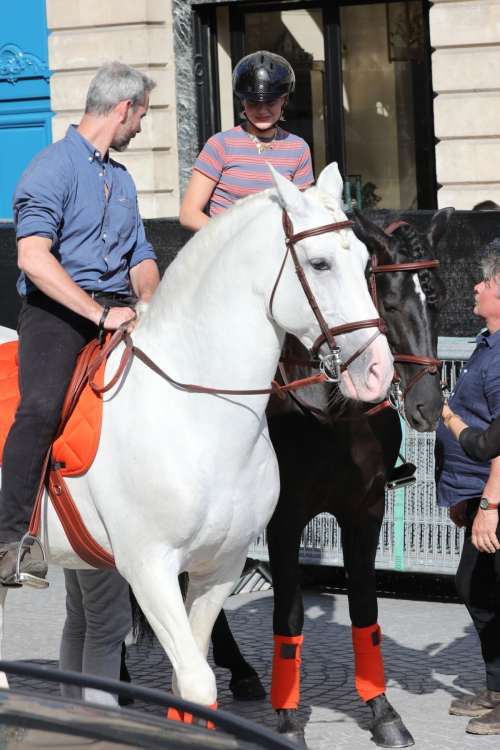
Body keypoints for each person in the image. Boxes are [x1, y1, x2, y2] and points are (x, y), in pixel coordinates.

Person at [0, 62, 159, 583]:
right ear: (123, 109)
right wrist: (98, 313)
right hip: (59, 313)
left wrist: (152, 302)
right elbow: (33, 258)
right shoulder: (51, 167)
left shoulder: (121, 178)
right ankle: (8, 541)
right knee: (41, 405)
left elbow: (140, 255)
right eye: (140, 116)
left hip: (122, 312)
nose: (140, 127)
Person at [435, 254, 500, 734]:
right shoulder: (487, 344)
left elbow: (495, 445)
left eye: (486, 281)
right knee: (474, 586)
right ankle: (497, 686)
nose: (475, 287)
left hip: (494, 496)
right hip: (479, 493)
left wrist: (491, 507)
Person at [179, 50, 314, 231]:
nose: (262, 110)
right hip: (227, 251)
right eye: (253, 102)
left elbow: (303, 212)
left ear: (285, 98)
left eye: (271, 102)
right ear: (242, 100)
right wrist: (231, 238)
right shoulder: (220, 145)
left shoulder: (298, 148)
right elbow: (189, 214)